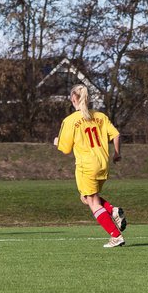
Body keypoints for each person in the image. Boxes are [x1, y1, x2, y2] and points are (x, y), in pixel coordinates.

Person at [55, 84, 127, 248]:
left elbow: (65, 149)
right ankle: (113, 211)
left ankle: (116, 236)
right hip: (103, 164)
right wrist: (116, 153)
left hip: (86, 166)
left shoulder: (70, 120)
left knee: (93, 203)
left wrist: (57, 142)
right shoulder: (100, 116)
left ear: (74, 99)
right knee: (85, 198)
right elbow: (116, 134)